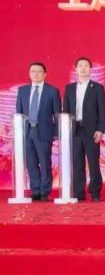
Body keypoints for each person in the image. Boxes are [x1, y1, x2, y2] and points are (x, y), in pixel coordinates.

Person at [15, 62, 61, 201]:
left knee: (45, 162)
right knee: (31, 163)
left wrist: (56, 133)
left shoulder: (52, 91)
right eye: (33, 71)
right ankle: (35, 190)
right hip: (27, 132)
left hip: (44, 132)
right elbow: (19, 112)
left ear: (45, 74)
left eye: (39, 71)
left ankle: (45, 191)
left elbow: (57, 115)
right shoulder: (22, 90)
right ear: (29, 74)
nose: (36, 74)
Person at [63, 57, 105, 201]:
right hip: (74, 130)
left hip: (92, 131)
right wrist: (66, 130)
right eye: (80, 66)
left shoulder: (98, 88)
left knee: (93, 162)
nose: (83, 68)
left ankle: (95, 192)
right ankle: (78, 192)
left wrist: (100, 130)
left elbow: (102, 111)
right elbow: (66, 111)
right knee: (77, 162)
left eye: (86, 66)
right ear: (76, 69)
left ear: (90, 69)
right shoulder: (69, 88)